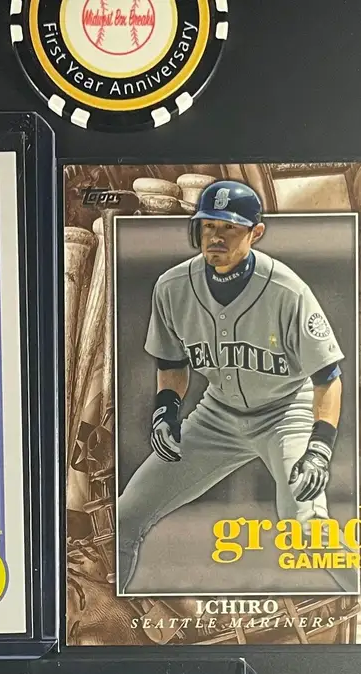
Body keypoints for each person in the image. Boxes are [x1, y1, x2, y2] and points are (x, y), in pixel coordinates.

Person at [118, 179, 345, 591]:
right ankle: (105, 613)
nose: (216, 237)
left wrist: (319, 449)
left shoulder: (287, 290)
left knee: (307, 525)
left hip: (285, 412)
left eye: (229, 227)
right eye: (208, 225)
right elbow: (172, 364)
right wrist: (166, 412)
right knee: (126, 515)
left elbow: (328, 378)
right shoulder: (172, 286)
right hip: (217, 416)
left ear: (255, 233)